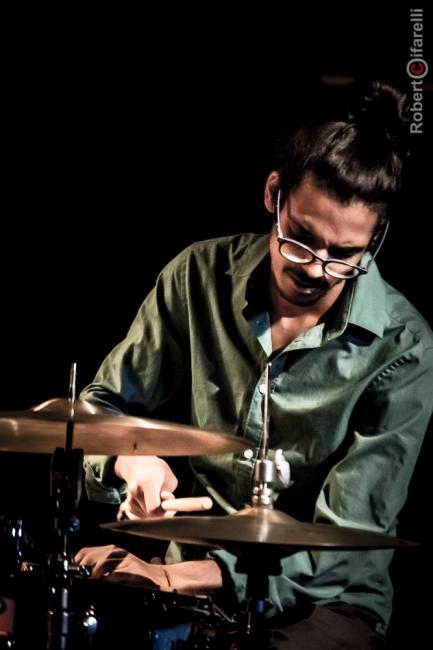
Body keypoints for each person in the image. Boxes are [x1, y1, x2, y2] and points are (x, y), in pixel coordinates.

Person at [76, 80, 433, 649]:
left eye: (344, 255)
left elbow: (347, 544)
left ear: (376, 236)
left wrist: (174, 577)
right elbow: (98, 407)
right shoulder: (197, 277)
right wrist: (129, 460)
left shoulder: (402, 344)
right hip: (187, 580)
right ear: (273, 194)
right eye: (302, 240)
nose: (315, 270)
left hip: (323, 601)